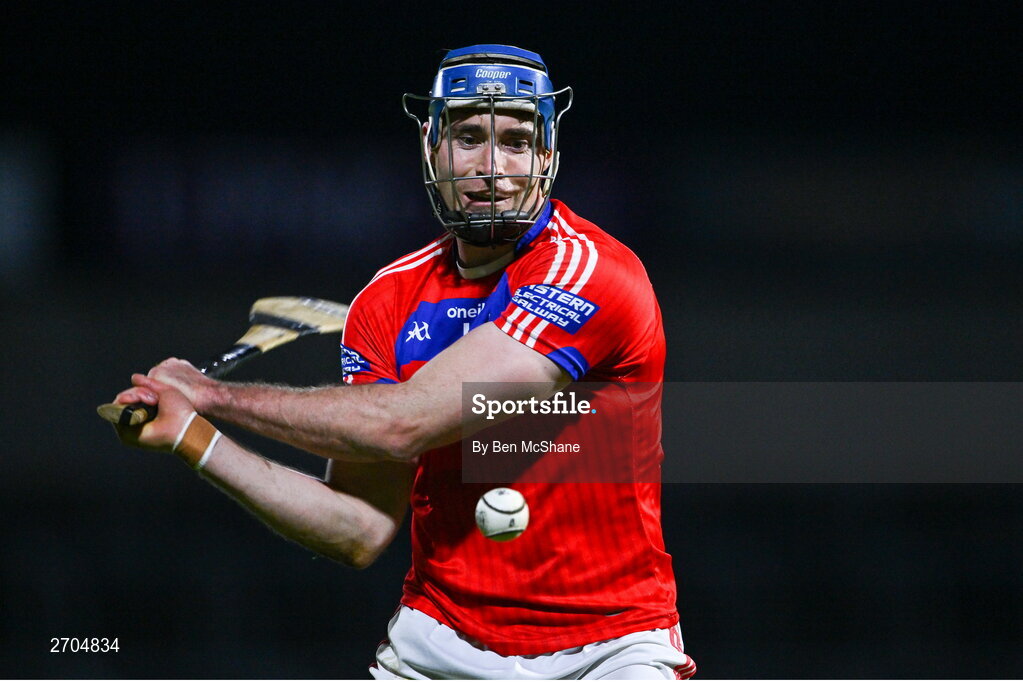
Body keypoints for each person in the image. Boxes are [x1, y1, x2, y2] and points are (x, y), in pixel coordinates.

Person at [112, 44, 696, 680]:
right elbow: (356, 528)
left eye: (518, 141)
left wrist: (215, 395)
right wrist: (195, 436)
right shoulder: (387, 302)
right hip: (439, 644)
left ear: (549, 155)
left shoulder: (590, 273)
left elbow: (402, 423)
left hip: (609, 650)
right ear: (430, 147)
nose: (492, 166)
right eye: (469, 136)